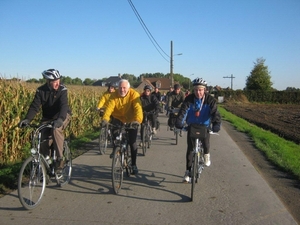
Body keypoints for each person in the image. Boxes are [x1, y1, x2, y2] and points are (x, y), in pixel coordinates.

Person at [19, 69, 72, 172]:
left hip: (62, 115)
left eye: (58, 80)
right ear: (48, 82)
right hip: (47, 117)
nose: (57, 83)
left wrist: (60, 119)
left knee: (55, 130)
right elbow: (35, 106)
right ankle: (47, 161)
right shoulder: (41, 91)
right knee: (41, 136)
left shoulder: (62, 90)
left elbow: (63, 106)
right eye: (54, 81)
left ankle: (60, 159)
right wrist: (27, 119)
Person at [175, 78, 221, 183]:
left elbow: (215, 113)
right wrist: (179, 123)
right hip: (192, 126)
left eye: (200, 90)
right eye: (196, 90)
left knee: (206, 143)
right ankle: (187, 171)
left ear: (204, 90)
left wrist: (216, 124)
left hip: (204, 126)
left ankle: (206, 154)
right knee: (190, 150)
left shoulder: (210, 100)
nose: (198, 92)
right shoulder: (189, 99)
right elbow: (183, 112)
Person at [101, 79, 143, 174]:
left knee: (132, 142)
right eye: (120, 88)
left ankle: (134, 164)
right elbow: (109, 108)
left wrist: (137, 120)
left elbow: (138, 108)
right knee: (116, 138)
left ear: (128, 88)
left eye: (124, 88)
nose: (122, 90)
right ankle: (117, 152)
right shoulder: (114, 95)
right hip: (118, 119)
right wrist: (105, 119)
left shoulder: (134, 95)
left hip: (132, 120)